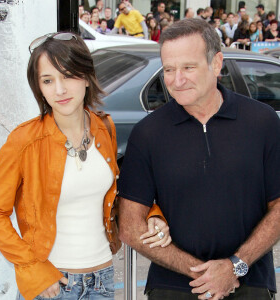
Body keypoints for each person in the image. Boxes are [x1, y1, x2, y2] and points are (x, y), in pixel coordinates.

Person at [0, 32, 171, 300]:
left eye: (68, 75)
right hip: (53, 284)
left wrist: (151, 214)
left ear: (86, 76)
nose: (59, 90)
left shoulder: (104, 127)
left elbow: (115, 190)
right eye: (47, 80)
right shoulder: (24, 140)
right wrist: (33, 269)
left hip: (102, 279)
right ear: (39, 87)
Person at [118, 18, 280, 300]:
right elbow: (131, 227)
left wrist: (235, 266)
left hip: (249, 282)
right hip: (172, 287)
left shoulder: (262, 122)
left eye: (188, 67)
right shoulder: (148, 133)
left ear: (216, 63)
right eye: (169, 69)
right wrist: (203, 274)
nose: (176, 80)